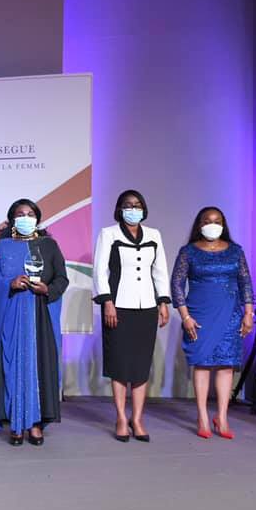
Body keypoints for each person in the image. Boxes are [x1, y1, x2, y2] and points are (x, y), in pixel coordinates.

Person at [0, 199, 69, 446]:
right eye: (20, 214)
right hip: (11, 316)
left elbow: (62, 279)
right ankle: (16, 423)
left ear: (37, 219)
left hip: (40, 315)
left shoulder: (49, 245)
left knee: (38, 364)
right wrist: (9, 284)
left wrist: (47, 289)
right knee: (11, 363)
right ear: (12, 219)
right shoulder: (2, 248)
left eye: (30, 214)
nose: (25, 218)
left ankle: (35, 423)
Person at [93, 189, 171, 443]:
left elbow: (160, 270)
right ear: (119, 209)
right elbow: (100, 270)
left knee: (140, 365)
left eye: (137, 205)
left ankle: (137, 419)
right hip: (118, 306)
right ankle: (120, 417)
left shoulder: (154, 235)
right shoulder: (108, 234)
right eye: (128, 205)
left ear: (144, 208)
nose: (133, 209)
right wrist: (107, 302)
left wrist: (163, 301)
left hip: (146, 307)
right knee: (119, 364)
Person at [171, 207, 254, 440]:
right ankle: (203, 417)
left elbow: (246, 282)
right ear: (199, 225)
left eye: (217, 221)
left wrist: (248, 313)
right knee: (203, 364)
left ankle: (223, 417)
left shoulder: (236, 251)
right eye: (207, 221)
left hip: (230, 314)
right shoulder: (188, 252)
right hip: (199, 315)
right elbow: (177, 284)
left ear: (223, 224)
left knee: (226, 365)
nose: (212, 224)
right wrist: (185, 317)